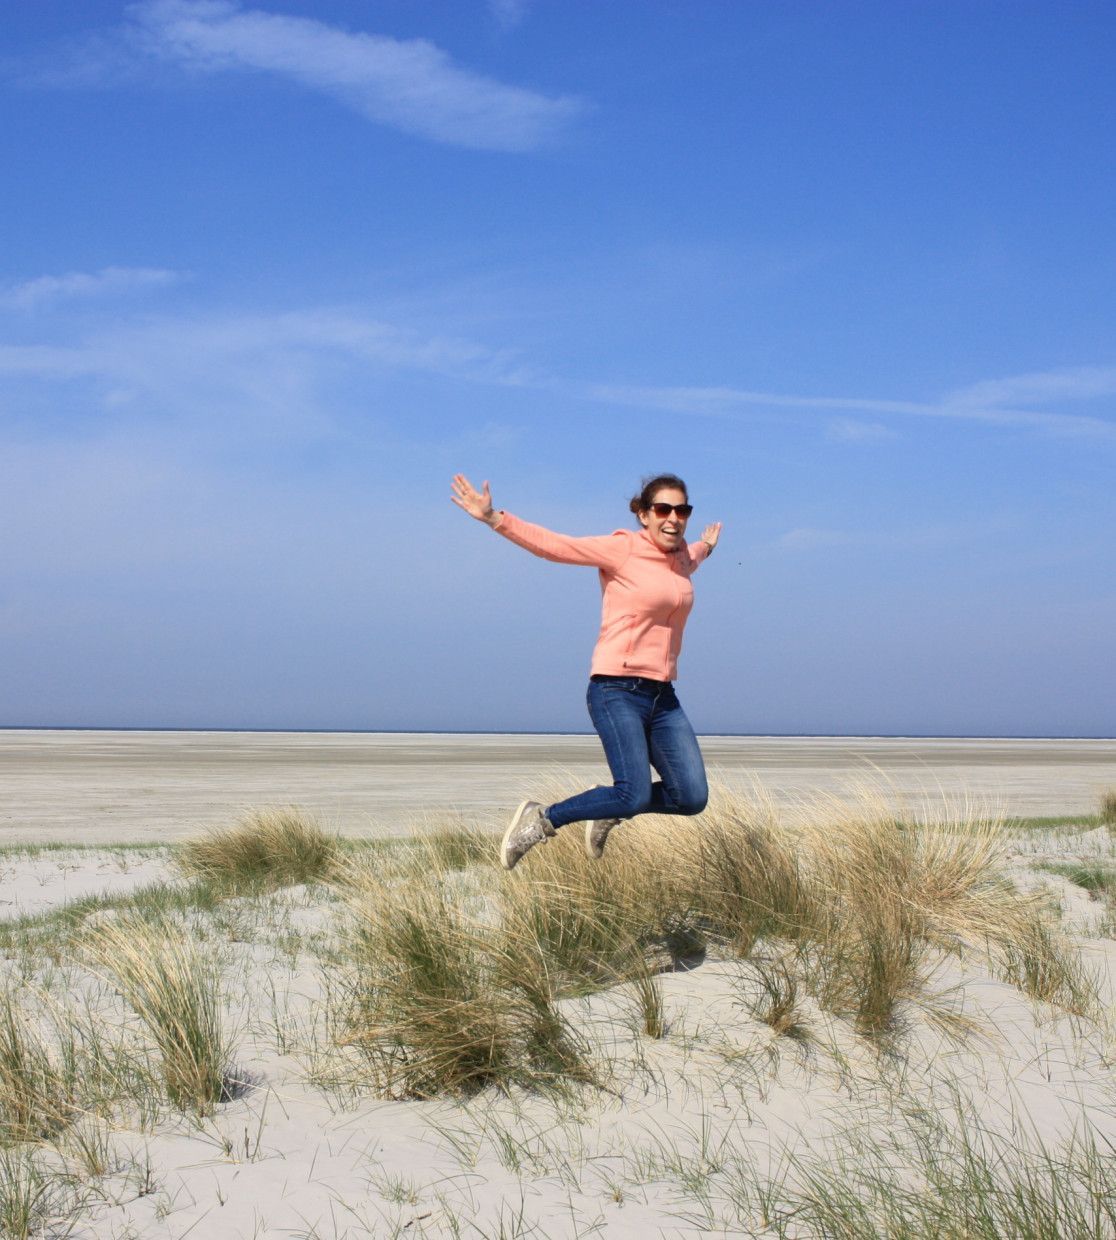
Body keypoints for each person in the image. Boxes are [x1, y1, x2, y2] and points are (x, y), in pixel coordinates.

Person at [451, 472, 722, 870]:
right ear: (644, 515)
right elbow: (556, 547)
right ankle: (542, 819)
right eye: (663, 509)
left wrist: (707, 546)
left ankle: (606, 805)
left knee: (691, 797)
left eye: (682, 510)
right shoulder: (622, 550)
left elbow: (692, 558)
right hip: (617, 690)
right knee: (633, 794)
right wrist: (495, 518)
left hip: (664, 697)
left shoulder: (682, 557)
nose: (674, 518)